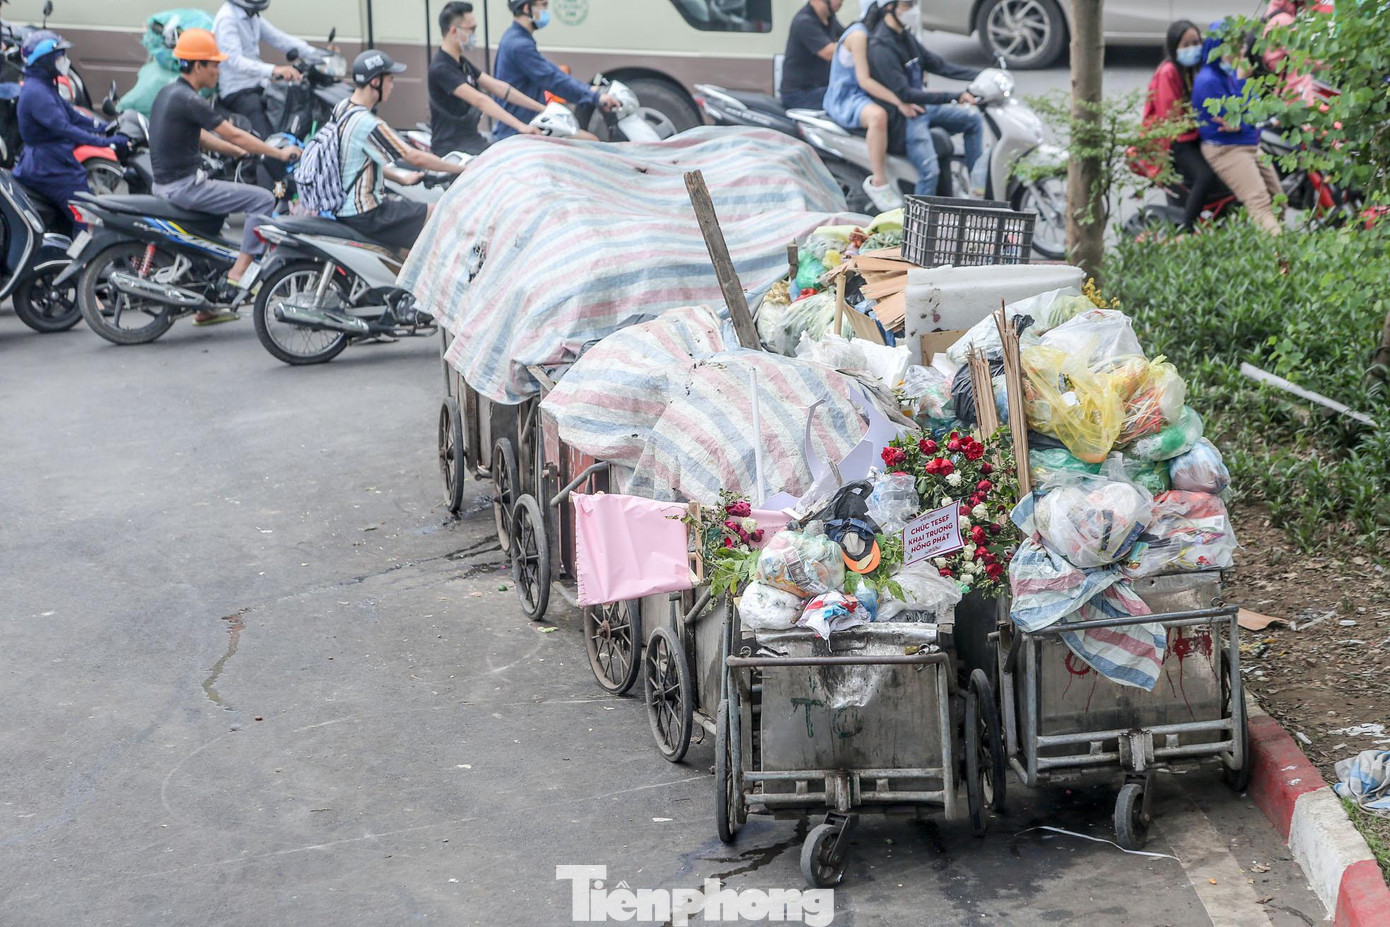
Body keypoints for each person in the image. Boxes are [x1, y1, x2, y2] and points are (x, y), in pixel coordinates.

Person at [148, 28, 302, 323]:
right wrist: (278, 153)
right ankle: (238, 273)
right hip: (183, 187)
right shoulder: (190, 99)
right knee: (263, 199)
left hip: (167, 184)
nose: (219, 70)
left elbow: (202, 136)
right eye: (214, 64)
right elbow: (234, 133)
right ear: (197, 66)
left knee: (211, 233)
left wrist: (235, 152)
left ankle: (206, 307)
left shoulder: (171, 93)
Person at [333, 50, 465, 252]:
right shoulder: (368, 123)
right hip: (367, 213)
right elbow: (416, 157)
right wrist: (458, 169)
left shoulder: (343, 108)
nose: (392, 86)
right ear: (375, 82)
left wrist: (401, 179)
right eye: (391, 79)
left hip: (345, 208)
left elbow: (357, 163)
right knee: (439, 213)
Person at [12, 30, 129, 235]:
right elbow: (65, 129)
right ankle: (85, 263)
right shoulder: (37, 93)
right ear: (45, 60)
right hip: (47, 167)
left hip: (54, 160)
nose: (64, 60)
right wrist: (105, 143)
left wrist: (103, 128)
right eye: (60, 56)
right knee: (85, 213)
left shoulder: (45, 85)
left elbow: (73, 116)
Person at [866, 0, 983, 199]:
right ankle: (918, 226)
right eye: (907, 5)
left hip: (922, 108)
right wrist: (955, 96)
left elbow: (938, 64)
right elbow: (905, 94)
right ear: (890, 8)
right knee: (929, 171)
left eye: (914, 4)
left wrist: (980, 74)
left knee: (973, 121)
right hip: (906, 118)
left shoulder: (905, 36)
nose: (914, 10)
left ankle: (977, 191)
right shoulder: (881, 47)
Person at [212, 0, 326, 183]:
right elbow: (234, 60)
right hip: (238, 91)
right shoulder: (227, 18)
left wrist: (318, 55)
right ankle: (275, 191)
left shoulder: (251, 16)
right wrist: (274, 70)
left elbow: (280, 39)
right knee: (269, 142)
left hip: (260, 85)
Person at [1191, 24, 1282, 235]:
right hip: (1227, 149)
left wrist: (1245, 116)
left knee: (1279, 200)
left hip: (1250, 143)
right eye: (1235, 47)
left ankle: (1272, 246)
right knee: (1260, 203)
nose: (1242, 52)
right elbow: (1235, 119)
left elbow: (1257, 111)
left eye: (1241, 46)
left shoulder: (1231, 74)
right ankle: (1281, 258)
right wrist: (1242, 82)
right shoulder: (1208, 81)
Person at [822, 2, 908, 211]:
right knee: (878, 116)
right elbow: (864, 80)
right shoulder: (859, 35)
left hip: (861, 94)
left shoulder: (884, 35)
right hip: (847, 97)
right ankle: (879, 180)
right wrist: (899, 101)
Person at [429, 1, 545, 156]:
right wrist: (520, 126)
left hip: (471, 140)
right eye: (472, 29)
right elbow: (480, 100)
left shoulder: (461, 63)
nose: (474, 34)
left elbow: (500, 88)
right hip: (452, 148)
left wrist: (543, 108)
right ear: (453, 31)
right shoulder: (441, 68)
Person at [491, 0, 616, 143]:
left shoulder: (515, 37)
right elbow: (553, 80)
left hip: (526, 122)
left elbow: (552, 71)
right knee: (592, 141)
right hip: (522, 129)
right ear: (527, 8)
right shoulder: (520, 45)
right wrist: (595, 97)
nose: (546, 11)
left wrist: (589, 89)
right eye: (543, 5)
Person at [1141, 20, 1217, 230]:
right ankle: (1187, 227)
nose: (1193, 48)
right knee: (1205, 177)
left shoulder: (1195, 68)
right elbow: (1171, 118)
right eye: (1186, 44)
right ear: (1175, 48)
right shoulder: (1169, 72)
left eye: (1196, 42)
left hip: (1194, 134)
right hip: (1176, 140)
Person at [780, 0, 845, 110]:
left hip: (819, 89)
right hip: (801, 94)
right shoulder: (805, 22)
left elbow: (847, 36)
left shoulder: (830, 19)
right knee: (847, 99)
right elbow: (828, 52)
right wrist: (857, 46)